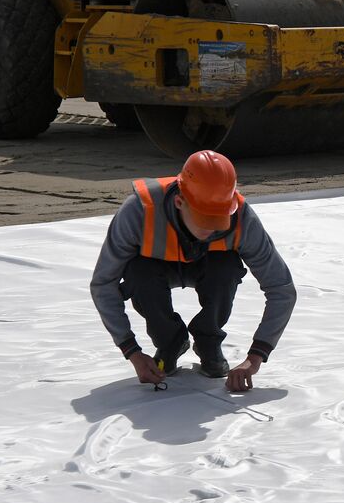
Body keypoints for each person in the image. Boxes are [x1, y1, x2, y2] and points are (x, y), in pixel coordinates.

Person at [90, 150, 296, 392]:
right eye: (204, 220)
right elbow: (103, 284)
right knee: (138, 271)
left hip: (211, 269)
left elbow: (281, 288)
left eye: (218, 220)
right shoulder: (139, 211)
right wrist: (132, 352)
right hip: (154, 269)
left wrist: (255, 358)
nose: (212, 230)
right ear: (180, 202)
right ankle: (170, 342)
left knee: (226, 268)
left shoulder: (241, 217)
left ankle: (209, 342)